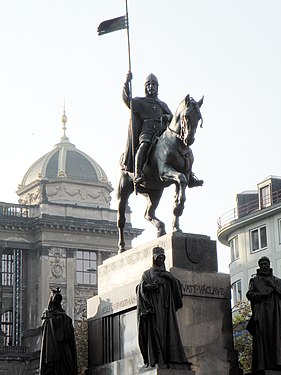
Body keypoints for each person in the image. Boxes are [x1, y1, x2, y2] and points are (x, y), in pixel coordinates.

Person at [136, 246, 191, 369]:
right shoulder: (147, 274)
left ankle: (171, 358)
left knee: (169, 332)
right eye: (158, 258)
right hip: (154, 309)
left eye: (162, 258)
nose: (160, 260)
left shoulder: (168, 275)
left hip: (167, 309)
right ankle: (157, 358)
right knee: (156, 332)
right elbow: (140, 289)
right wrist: (148, 287)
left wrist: (170, 278)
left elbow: (177, 289)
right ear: (154, 259)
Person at [122, 72, 173, 186]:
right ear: (146, 87)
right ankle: (138, 174)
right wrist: (126, 83)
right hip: (147, 131)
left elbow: (173, 119)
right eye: (148, 84)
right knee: (144, 146)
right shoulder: (140, 102)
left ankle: (187, 173)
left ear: (157, 87)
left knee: (176, 147)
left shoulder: (162, 104)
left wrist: (167, 117)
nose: (151, 87)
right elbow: (127, 100)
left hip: (161, 133)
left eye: (153, 84)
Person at [246, 256, 281, 373]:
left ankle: (277, 363)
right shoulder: (255, 280)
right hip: (262, 314)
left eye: (266, 264)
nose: (264, 266)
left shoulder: (276, 280)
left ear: (269, 264)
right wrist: (262, 295)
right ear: (259, 266)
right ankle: (262, 365)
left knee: (275, 337)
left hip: (275, 315)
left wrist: (273, 286)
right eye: (262, 264)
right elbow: (250, 294)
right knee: (262, 339)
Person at [39, 287, 78, 375]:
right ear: (52, 299)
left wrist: (63, 318)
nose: (57, 300)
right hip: (53, 344)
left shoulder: (63, 312)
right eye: (56, 298)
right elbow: (46, 326)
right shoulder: (47, 313)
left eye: (59, 299)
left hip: (64, 343)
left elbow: (69, 324)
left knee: (69, 363)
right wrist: (59, 319)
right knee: (55, 367)